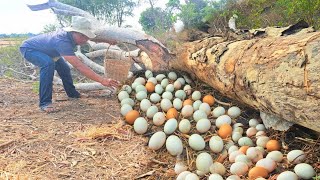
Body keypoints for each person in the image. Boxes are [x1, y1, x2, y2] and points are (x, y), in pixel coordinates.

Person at [20, 16, 120, 113]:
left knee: (64, 68)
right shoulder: (62, 41)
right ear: (73, 32)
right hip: (29, 49)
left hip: (48, 52)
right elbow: (79, 65)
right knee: (48, 64)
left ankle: (72, 94)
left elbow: (89, 38)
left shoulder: (75, 36)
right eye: (83, 36)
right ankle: (45, 103)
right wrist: (102, 80)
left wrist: (107, 41)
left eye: (86, 36)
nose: (85, 39)